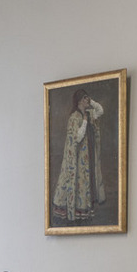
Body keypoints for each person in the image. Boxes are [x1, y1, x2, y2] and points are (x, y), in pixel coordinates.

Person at [51, 89, 106, 222]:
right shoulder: (74, 117)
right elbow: (77, 137)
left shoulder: (90, 113)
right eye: (86, 98)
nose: (88, 100)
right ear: (80, 100)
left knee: (87, 181)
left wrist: (91, 102)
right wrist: (85, 122)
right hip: (79, 157)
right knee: (79, 181)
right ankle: (75, 210)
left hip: (88, 154)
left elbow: (100, 110)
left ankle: (84, 210)